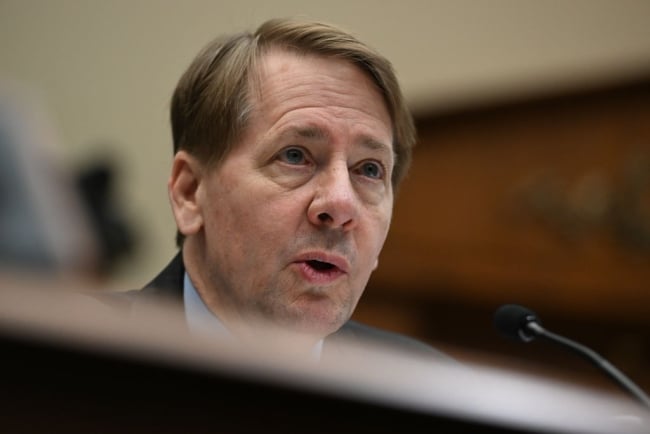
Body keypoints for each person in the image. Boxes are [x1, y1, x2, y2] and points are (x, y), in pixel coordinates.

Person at [126, 18, 449, 361]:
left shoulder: (433, 390)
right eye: (295, 156)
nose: (341, 204)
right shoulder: (73, 370)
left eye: (369, 169)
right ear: (190, 193)